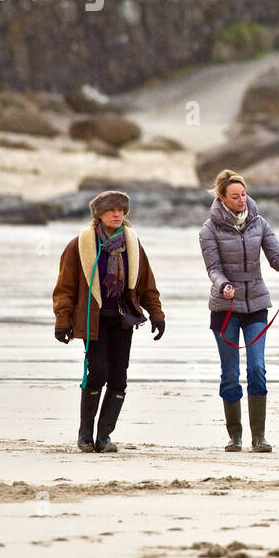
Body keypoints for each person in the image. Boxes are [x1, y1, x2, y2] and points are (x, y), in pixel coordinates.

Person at [199, 169, 279, 453]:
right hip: (225, 307)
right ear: (222, 198)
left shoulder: (259, 223)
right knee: (230, 373)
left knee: (257, 368)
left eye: (243, 194)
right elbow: (213, 269)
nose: (241, 199)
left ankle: (259, 437)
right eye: (235, 196)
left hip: (256, 303)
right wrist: (224, 286)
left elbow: (275, 259)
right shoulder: (209, 230)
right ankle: (235, 437)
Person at [53, 191, 165, 453]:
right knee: (98, 373)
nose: (117, 214)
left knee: (118, 378)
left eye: (121, 210)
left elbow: (147, 284)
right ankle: (85, 434)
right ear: (99, 214)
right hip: (93, 320)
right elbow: (65, 288)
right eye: (111, 210)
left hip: (123, 320)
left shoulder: (133, 244)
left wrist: (156, 314)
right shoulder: (79, 245)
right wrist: (62, 320)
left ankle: (103, 436)